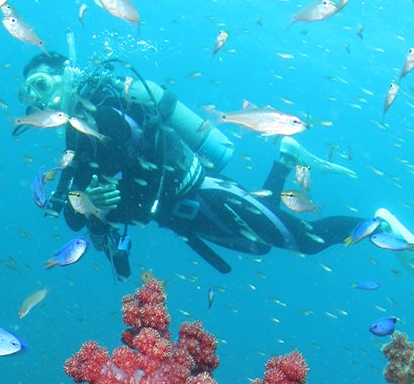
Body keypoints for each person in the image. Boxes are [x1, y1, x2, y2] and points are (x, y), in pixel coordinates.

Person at [19, 51, 363, 280]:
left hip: (205, 197)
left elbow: (146, 196)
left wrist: (103, 204)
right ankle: (285, 157)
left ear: (66, 76)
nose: (34, 98)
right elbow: (71, 214)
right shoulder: (76, 136)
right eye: (25, 94)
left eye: (40, 85)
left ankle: (375, 227)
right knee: (260, 244)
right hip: (184, 217)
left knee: (306, 240)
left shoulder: (106, 116)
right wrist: (92, 206)